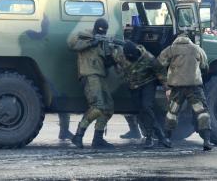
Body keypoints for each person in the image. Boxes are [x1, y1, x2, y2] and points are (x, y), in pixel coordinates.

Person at [157, 33, 212, 151]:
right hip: (194, 87)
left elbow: (159, 64)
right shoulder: (197, 49)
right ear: (188, 39)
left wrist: (166, 81)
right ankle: (207, 140)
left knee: (172, 113)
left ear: (176, 39)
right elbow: (205, 66)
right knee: (202, 112)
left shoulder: (171, 49)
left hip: (177, 88)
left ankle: (167, 139)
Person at [113, 41, 171, 148]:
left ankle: (153, 137)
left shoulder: (148, 58)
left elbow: (161, 73)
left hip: (147, 83)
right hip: (133, 86)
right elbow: (114, 60)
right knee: (140, 111)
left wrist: (167, 89)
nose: (130, 60)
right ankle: (158, 135)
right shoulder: (120, 56)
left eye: (132, 58)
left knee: (146, 107)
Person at [68, 18, 115, 149]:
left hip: (100, 76)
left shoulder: (103, 42)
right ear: (96, 28)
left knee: (108, 107)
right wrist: (92, 43)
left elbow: (106, 62)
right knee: (98, 106)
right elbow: (71, 44)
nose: (103, 33)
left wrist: (112, 57)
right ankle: (78, 135)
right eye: (101, 31)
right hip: (89, 75)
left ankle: (98, 139)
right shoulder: (85, 35)